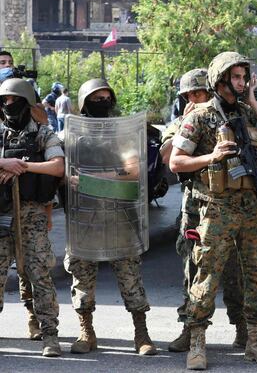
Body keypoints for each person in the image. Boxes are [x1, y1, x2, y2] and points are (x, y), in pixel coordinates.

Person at [169, 51, 257, 370]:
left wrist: (254, 101)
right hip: (216, 209)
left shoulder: (249, 114)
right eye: (236, 77)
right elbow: (175, 161)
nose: (242, 81)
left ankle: (256, 341)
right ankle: (197, 343)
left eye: (243, 77)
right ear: (220, 80)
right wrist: (212, 157)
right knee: (206, 275)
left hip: (252, 209)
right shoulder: (200, 116)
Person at [63, 78, 158, 356]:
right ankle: (86, 332)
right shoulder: (72, 135)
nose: (103, 103)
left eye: (106, 98)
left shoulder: (124, 133)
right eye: (96, 99)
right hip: (84, 218)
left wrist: (93, 179)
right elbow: (61, 170)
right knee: (82, 280)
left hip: (120, 216)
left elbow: (134, 171)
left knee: (130, 278)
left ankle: (141, 334)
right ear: (84, 103)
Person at [161, 68, 246, 353]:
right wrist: (186, 122)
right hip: (195, 208)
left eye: (198, 93)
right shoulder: (183, 122)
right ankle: (190, 328)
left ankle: (243, 328)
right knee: (193, 271)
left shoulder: (226, 117)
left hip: (227, 204)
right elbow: (166, 158)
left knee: (235, 270)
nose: (194, 98)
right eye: (188, 95)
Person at [0, 78, 64, 357]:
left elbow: (57, 167)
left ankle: (50, 334)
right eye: (5, 101)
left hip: (31, 214)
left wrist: (23, 167)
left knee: (40, 275)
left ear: (27, 103)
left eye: (14, 101)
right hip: (1, 216)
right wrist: (4, 163)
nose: (8, 106)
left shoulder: (43, 133)